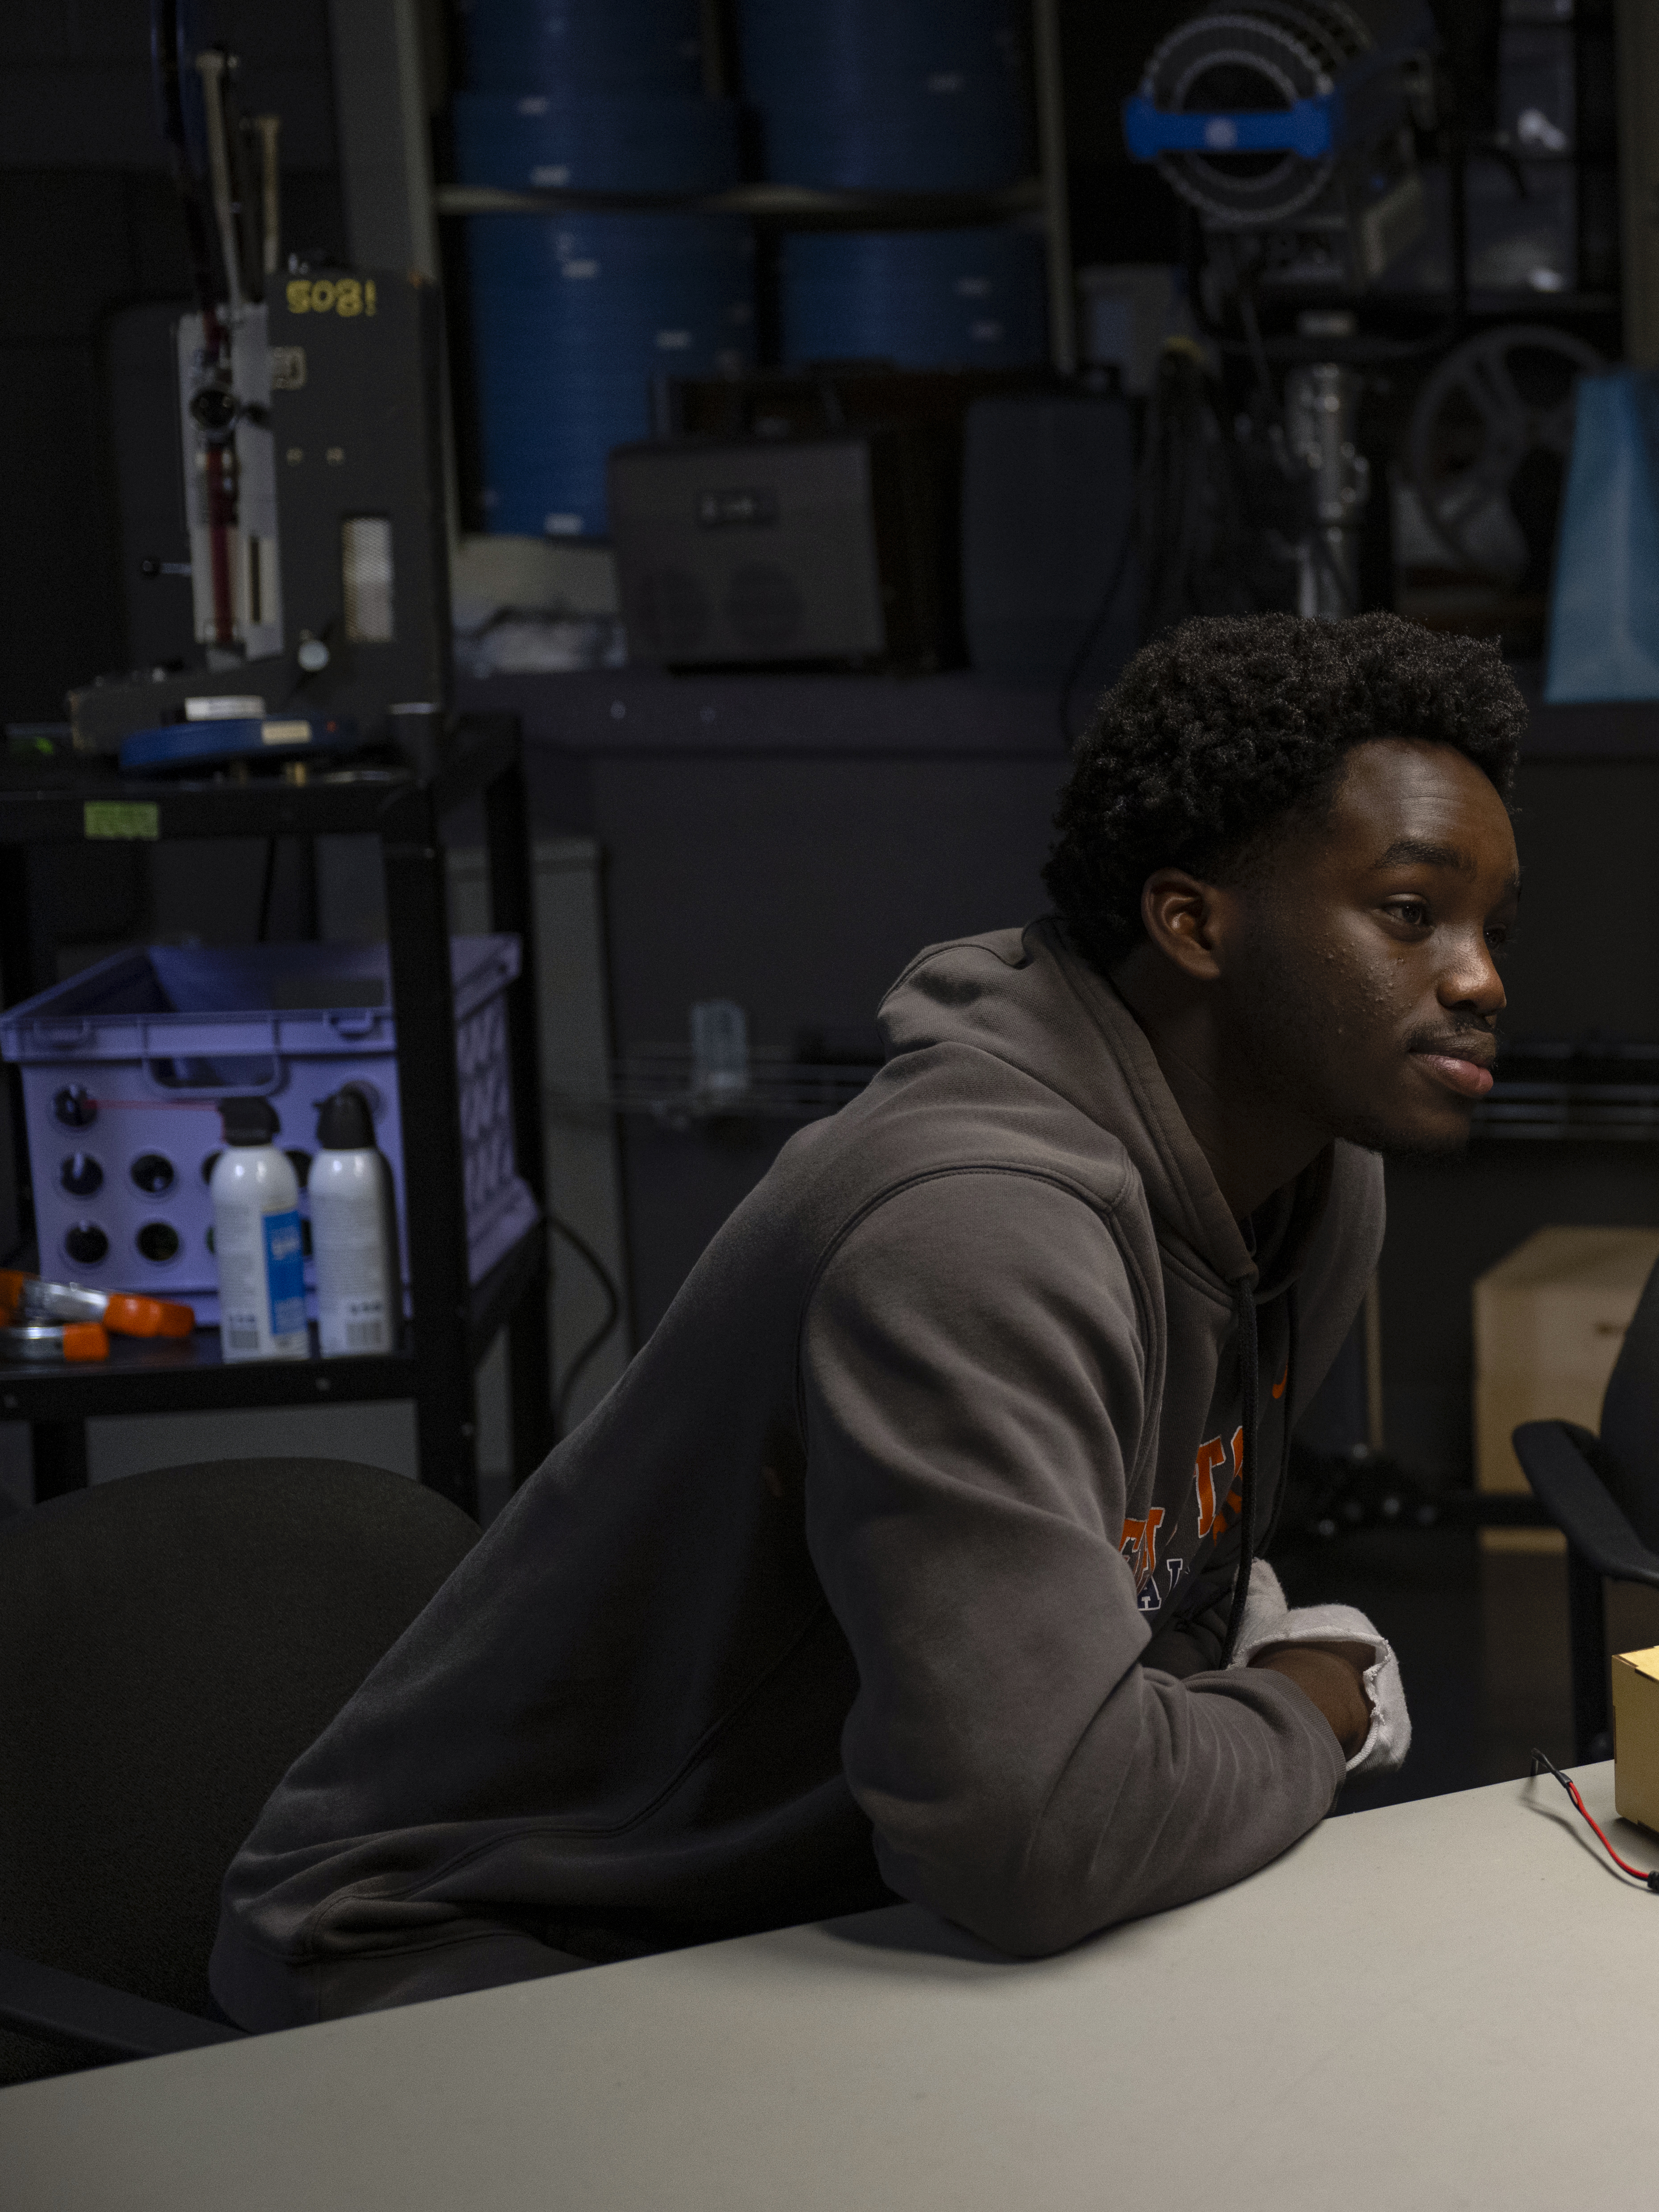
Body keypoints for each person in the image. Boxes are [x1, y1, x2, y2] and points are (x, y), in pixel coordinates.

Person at [213, 613, 1525, 2024]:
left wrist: (1181, 1723)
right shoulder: (970, 1235)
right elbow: (1037, 1835)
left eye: (1491, 927)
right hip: (477, 1941)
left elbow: (1172, 1636)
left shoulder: (1317, 1184)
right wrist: (1319, 1702)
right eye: (1409, 913)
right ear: (1192, 922)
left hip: (842, 1913)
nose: (1480, 979)